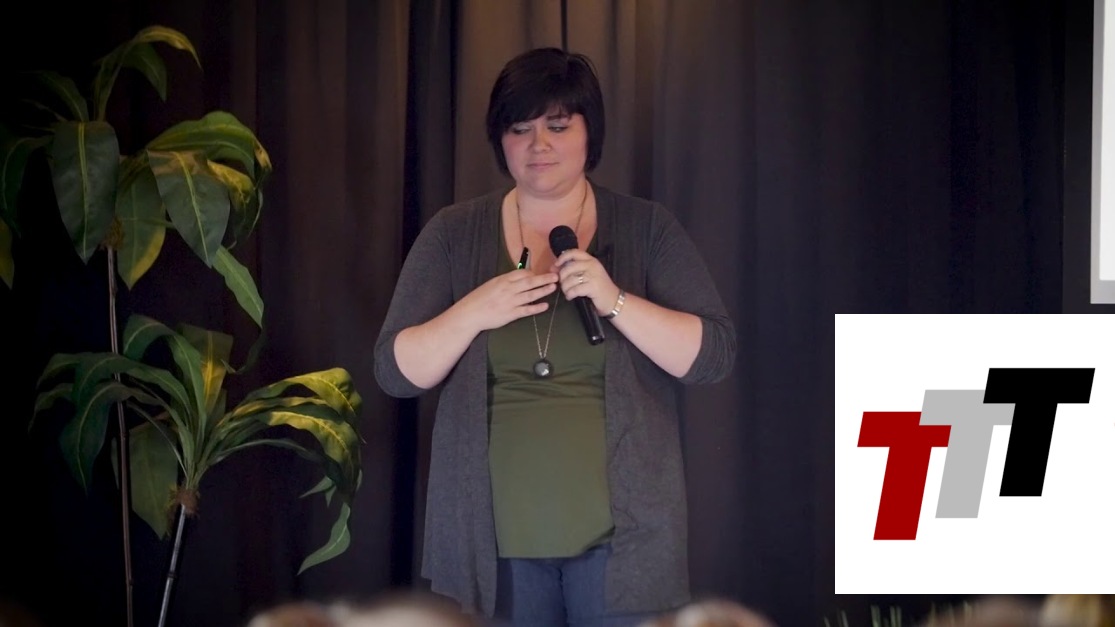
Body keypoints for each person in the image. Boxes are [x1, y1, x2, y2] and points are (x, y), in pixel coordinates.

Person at [374, 46, 736, 627]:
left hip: (623, 547)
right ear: (500, 141)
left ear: (591, 134)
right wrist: (474, 311)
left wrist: (615, 301)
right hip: (493, 547)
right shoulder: (454, 233)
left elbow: (713, 355)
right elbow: (395, 372)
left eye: (558, 126)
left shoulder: (646, 228)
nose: (538, 144)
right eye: (520, 129)